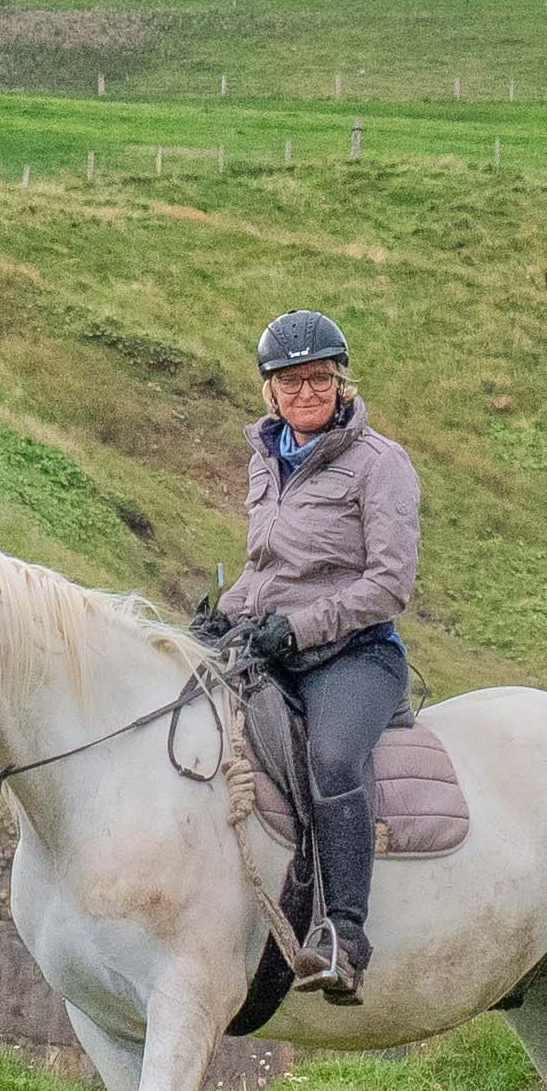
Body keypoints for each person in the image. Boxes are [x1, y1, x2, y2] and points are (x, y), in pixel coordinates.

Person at [209, 310, 417, 999]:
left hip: (354, 655)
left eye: (319, 378)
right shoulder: (265, 457)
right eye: (291, 381)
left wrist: (295, 630)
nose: (306, 392)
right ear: (270, 390)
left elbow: (388, 584)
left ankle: (343, 934)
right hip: (273, 646)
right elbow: (264, 565)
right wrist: (224, 617)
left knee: (330, 755)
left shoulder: (379, 464)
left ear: (339, 382)